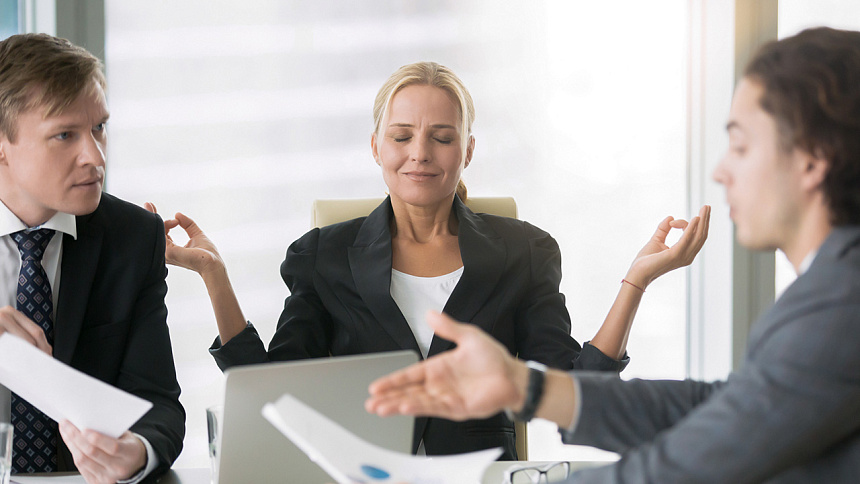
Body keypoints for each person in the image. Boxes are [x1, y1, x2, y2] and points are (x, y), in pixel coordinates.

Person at [366, 27, 860, 482]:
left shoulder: (840, 306)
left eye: (741, 146)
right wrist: (528, 388)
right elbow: (725, 409)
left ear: (812, 160)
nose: (721, 172)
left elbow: (692, 465)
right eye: (402, 135)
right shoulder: (832, 289)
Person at [149, 61, 707, 459]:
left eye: (441, 138)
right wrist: (215, 277)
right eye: (402, 136)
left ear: (467, 150)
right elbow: (272, 393)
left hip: (481, 476)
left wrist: (635, 281)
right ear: (376, 147)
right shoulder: (322, 255)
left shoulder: (525, 252)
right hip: (357, 474)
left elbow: (574, 386)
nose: (419, 153)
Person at [0, 34, 184, 483]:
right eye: (65, 135)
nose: (95, 157)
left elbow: (157, 401)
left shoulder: (132, 237)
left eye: (99, 128)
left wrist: (135, 452)